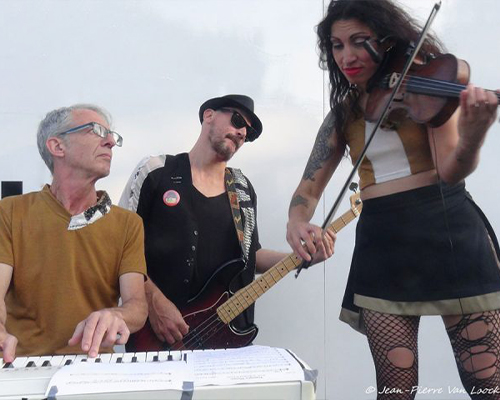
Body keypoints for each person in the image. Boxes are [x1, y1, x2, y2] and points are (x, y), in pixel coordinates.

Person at [286, 0, 500, 397]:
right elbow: (308, 189)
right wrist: (297, 221)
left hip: (448, 230)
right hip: (383, 243)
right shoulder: (343, 115)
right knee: (394, 389)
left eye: (359, 41)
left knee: (487, 384)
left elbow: (451, 171)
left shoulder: (425, 88)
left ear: (387, 41)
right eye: (337, 45)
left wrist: (474, 135)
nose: (346, 56)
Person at [119, 94, 335, 350]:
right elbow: (120, 249)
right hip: (157, 336)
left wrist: (300, 258)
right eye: (237, 120)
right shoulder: (155, 171)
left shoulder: (242, 189)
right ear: (208, 115)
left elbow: (252, 256)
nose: (242, 132)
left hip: (225, 337)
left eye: (248, 132)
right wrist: (153, 301)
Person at [0, 104, 148, 362]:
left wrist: (117, 315)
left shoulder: (128, 224)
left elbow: (137, 306)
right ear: (57, 146)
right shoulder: (10, 212)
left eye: (112, 135)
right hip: (22, 366)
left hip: (94, 368)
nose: (111, 142)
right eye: (97, 131)